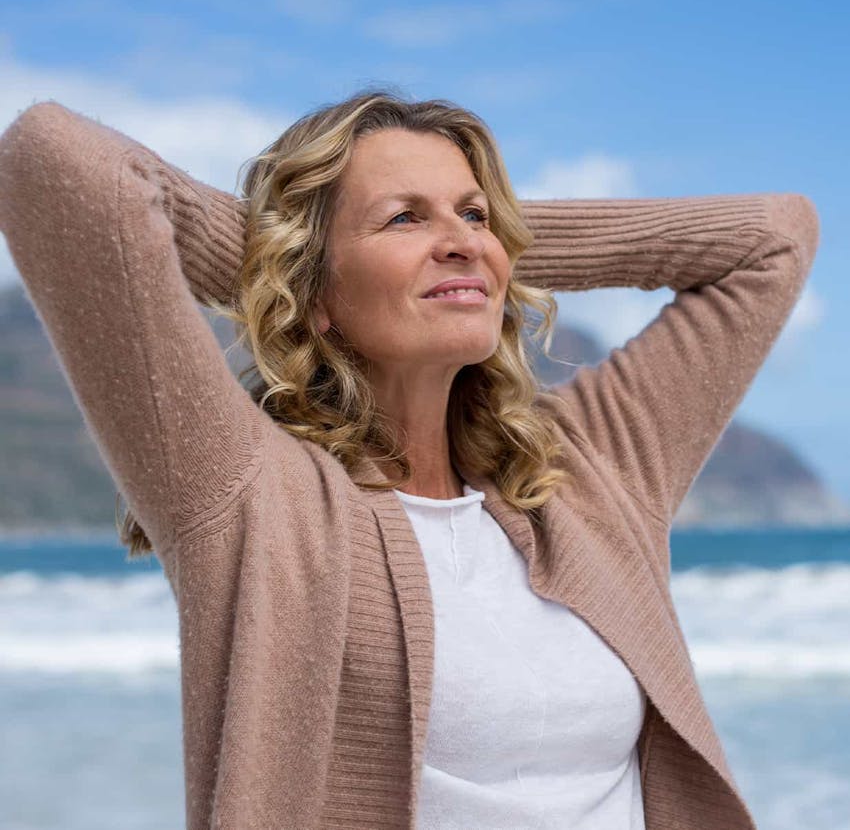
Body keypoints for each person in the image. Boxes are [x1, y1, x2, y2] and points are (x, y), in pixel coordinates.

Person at [0, 91, 818, 830]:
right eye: (404, 219)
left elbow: (775, 239)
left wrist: (487, 246)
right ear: (316, 294)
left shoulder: (589, 467)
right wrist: (284, 254)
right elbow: (53, 161)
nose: (461, 241)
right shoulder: (253, 493)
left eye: (474, 213)